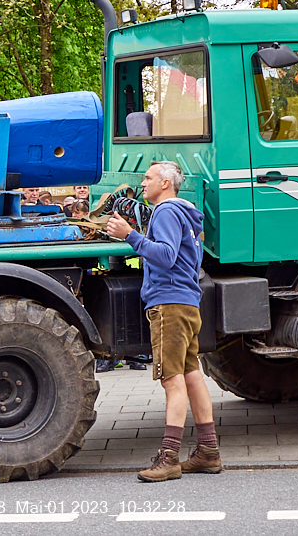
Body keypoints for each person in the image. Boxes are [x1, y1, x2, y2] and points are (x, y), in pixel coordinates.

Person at [106, 161, 219, 482]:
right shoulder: (185, 212)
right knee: (190, 374)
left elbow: (166, 256)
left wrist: (130, 236)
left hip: (169, 303)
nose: (143, 184)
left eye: (148, 178)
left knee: (172, 380)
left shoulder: (167, 211)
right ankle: (208, 452)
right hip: (186, 302)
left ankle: (169, 459)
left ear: (165, 184)